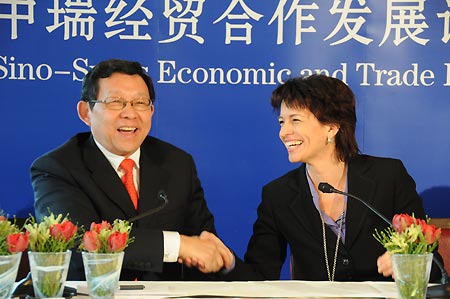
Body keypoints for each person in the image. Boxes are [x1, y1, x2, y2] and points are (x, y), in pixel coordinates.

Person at [210, 74, 444, 282]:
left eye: (295, 120)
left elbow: (435, 267)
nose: (283, 132)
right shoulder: (278, 195)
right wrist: (227, 261)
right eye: (282, 122)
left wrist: (409, 263)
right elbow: (259, 277)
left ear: (331, 128)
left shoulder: (388, 177)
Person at [31, 58, 233, 280]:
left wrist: (220, 259)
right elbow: (80, 242)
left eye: (140, 103)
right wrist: (177, 245)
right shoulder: (57, 167)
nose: (129, 113)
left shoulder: (177, 163)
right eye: (115, 102)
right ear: (86, 113)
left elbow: (203, 244)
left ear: (151, 110)